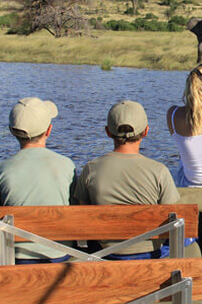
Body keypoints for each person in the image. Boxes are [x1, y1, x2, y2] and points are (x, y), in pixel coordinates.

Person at [74, 100, 182, 259]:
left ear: (108, 132)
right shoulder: (159, 171)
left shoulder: (91, 169)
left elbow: (83, 219)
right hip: (151, 258)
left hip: (105, 257)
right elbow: (173, 220)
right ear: (146, 131)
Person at [0, 97, 77, 264]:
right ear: (49, 130)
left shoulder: (0, 170)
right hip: (59, 256)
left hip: (16, 259)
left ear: (12, 131)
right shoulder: (67, 166)